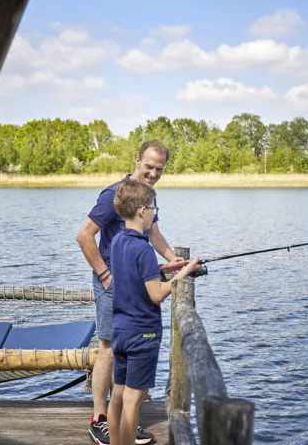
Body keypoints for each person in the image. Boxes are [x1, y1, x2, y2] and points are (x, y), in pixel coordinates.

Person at [76, 140, 184, 445]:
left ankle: (124, 419)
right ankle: (100, 419)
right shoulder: (113, 194)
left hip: (133, 283)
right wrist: (105, 273)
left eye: (159, 169)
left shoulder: (148, 197)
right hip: (112, 282)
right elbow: (84, 235)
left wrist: (172, 258)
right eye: (148, 166)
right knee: (109, 350)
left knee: (126, 351)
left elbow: (153, 234)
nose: (152, 173)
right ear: (137, 161)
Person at [107, 179, 201, 445]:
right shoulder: (144, 249)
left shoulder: (116, 242)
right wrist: (184, 273)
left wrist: (165, 269)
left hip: (121, 330)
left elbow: (134, 276)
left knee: (117, 396)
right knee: (133, 403)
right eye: (153, 207)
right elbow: (156, 294)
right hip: (143, 335)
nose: (154, 212)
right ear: (141, 211)